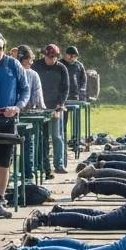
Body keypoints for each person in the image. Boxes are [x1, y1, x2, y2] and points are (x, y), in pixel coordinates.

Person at [0, 31, 29, 218]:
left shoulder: (13, 64)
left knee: (4, 162)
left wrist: (17, 108)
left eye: (0, 48)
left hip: (8, 120)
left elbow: (25, 90)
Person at [36, 43, 69, 175]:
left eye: (55, 56)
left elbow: (65, 87)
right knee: (41, 137)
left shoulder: (62, 68)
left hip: (56, 106)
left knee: (57, 136)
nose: (52, 59)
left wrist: (60, 103)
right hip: (40, 106)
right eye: (50, 56)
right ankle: (43, 166)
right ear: (45, 55)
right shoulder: (36, 66)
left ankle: (59, 164)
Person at [14, 45, 45, 182]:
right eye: (30, 59)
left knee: (11, 146)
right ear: (25, 59)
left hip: (13, 112)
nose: (31, 62)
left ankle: (18, 172)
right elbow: (37, 97)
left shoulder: (11, 71)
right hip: (26, 113)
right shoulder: (32, 74)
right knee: (28, 145)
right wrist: (42, 108)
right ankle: (28, 174)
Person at [62, 45, 86, 153]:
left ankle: (76, 140)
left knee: (76, 121)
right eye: (70, 55)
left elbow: (83, 80)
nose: (72, 58)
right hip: (64, 97)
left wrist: (81, 92)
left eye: (74, 56)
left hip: (75, 96)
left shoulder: (79, 65)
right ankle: (63, 141)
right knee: (63, 121)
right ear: (66, 55)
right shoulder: (60, 64)